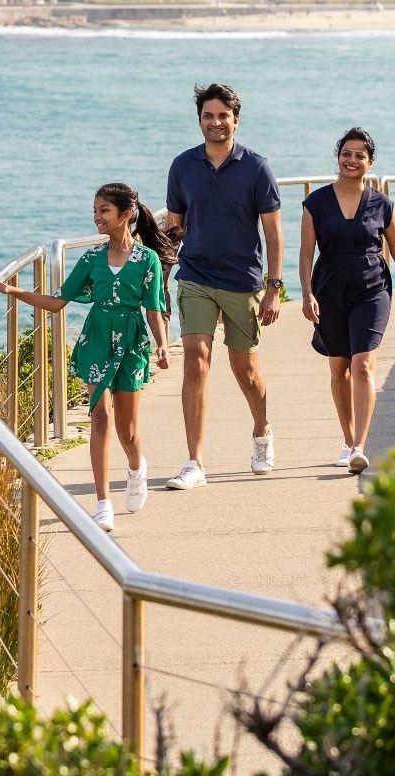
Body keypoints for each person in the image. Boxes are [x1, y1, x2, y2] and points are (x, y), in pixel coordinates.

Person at [0, 183, 172, 531]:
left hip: (131, 343)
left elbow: (154, 308)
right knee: (100, 418)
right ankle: (102, 503)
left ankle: (135, 468)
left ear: (126, 216)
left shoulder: (148, 260)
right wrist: (12, 290)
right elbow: (58, 301)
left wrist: (162, 344)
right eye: (95, 210)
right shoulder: (91, 259)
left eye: (104, 211)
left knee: (128, 430)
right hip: (97, 339)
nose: (96, 217)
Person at [161, 83, 283, 490]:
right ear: (200, 121)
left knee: (245, 370)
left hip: (242, 281)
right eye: (207, 116)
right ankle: (195, 461)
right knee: (195, 359)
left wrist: (273, 288)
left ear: (236, 118)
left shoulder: (257, 168)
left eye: (222, 116)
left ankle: (262, 433)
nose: (215, 123)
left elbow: (274, 234)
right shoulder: (182, 166)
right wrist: (154, 253)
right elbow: (175, 226)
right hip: (195, 276)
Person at [298, 127, 395, 473]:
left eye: (360, 155)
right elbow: (306, 252)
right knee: (339, 368)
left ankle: (360, 445)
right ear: (338, 158)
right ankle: (347, 439)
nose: (352, 160)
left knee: (362, 365)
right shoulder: (315, 203)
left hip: (372, 290)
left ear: (370, 163)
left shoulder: (382, 205)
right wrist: (307, 294)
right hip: (329, 291)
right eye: (346, 153)